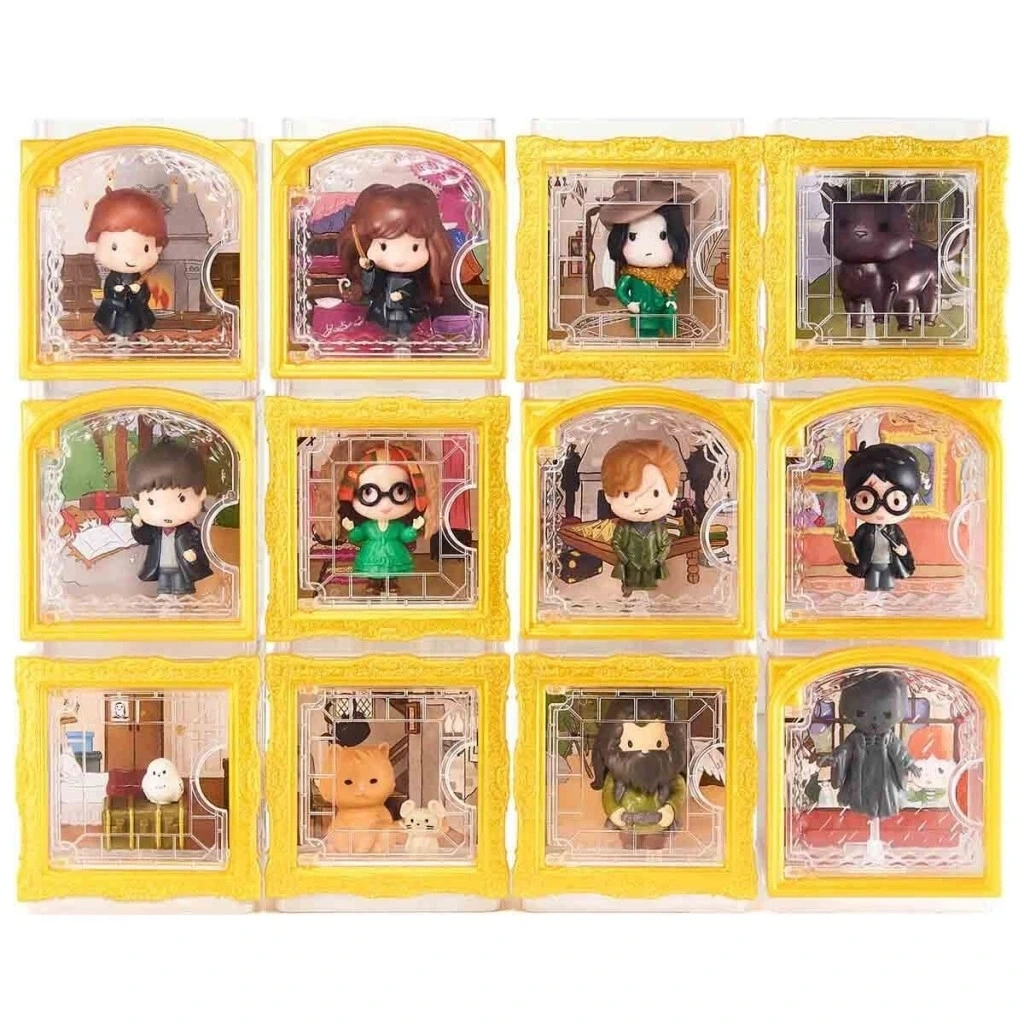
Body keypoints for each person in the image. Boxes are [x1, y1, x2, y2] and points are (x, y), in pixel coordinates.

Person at [128, 441, 213, 595]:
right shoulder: (155, 531)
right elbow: (144, 538)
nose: (166, 512)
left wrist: (193, 558)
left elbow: (203, 550)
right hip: (161, 570)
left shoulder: (191, 532)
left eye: (182, 499)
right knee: (164, 595)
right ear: (136, 501)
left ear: (201, 494)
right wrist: (138, 526)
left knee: (182, 595)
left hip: (183, 569)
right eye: (151, 502)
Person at [86, 187, 167, 337]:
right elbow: (109, 294)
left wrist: (139, 291)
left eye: (146, 248)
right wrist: (117, 291)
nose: (131, 257)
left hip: (134, 314)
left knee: (135, 330)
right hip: (115, 314)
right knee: (116, 331)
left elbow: (144, 297)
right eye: (114, 247)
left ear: (157, 248)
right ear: (95, 244)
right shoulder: (113, 277)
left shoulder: (138, 277)